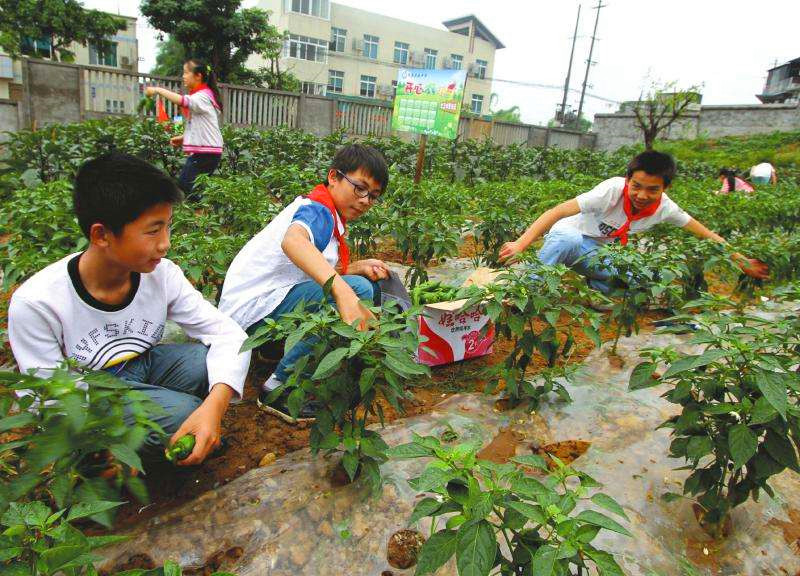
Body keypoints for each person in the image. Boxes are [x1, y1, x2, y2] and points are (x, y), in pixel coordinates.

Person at [8, 153, 251, 466]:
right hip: (89, 392)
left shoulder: (162, 274)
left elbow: (229, 335)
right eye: (153, 231)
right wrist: (104, 446)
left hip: (142, 366)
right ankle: (126, 455)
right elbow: (50, 399)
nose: (165, 244)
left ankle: (169, 419)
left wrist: (214, 407)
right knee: (182, 412)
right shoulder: (38, 303)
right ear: (101, 235)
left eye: (168, 227)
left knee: (203, 364)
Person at [219, 144, 390, 424]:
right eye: (360, 188)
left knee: (351, 284)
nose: (365, 201)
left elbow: (310, 266)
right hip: (250, 313)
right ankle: (281, 389)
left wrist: (354, 267)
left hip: (258, 305)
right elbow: (294, 242)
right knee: (357, 291)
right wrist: (344, 290)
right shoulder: (318, 211)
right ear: (333, 177)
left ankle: (272, 350)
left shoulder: (324, 210)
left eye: (373, 196)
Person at [498, 151, 769, 294]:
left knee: (643, 278)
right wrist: (521, 244)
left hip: (600, 252)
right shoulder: (611, 190)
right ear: (628, 180)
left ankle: (598, 289)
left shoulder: (666, 208)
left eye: (652, 189)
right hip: (572, 239)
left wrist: (742, 261)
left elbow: (706, 234)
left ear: (665, 187)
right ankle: (527, 293)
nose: (642, 195)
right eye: (636, 186)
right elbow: (557, 211)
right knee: (566, 238)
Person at [146, 58, 223, 198]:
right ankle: (199, 215)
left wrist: (158, 90)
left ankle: (196, 216)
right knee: (192, 190)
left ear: (198, 76)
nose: (183, 76)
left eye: (186, 72)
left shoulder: (203, 96)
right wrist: (183, 138)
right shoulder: (204, 95)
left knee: (186, 188)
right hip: (208, 152)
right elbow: (201, 126)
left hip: (206, 153)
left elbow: (182, 101)